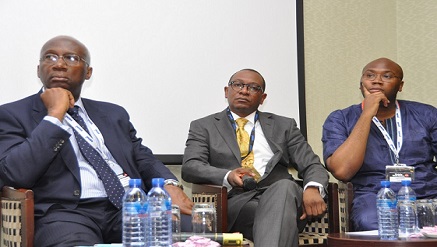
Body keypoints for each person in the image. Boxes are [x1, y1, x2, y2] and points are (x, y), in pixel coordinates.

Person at [0, 35, 193, 246]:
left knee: (192, 230)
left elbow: (142, 157)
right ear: (39, 70)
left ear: (88, 72)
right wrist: (54, 116)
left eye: (72, 58)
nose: (60, 65)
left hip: (131, 207)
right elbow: (15, 173)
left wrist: (170, 184)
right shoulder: (13, 114)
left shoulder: (113, 113)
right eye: (50, 57)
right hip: (66, 214)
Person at [181, 68, 328, 247]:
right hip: (238, 204)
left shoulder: (284, 126)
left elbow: (312, 164)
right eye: (238, 85)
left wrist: (313, 188)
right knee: (277, 215)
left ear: (263, 98)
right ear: (227, 91)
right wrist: (228, 176)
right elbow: (191, 166)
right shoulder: (204, 126)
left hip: (284, 196)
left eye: (253, 87)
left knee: (284, 188)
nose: (244, 90)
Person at [322, 57, 437, 231]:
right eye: (370, 75)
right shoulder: (341, 119)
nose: (376, 80)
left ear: (400, 86)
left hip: (426, 192)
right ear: (361, 83)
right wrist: (367, 114)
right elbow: (342, 171)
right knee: (371, 222)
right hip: (374, 195)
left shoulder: (426, 114)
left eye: (387, 76)